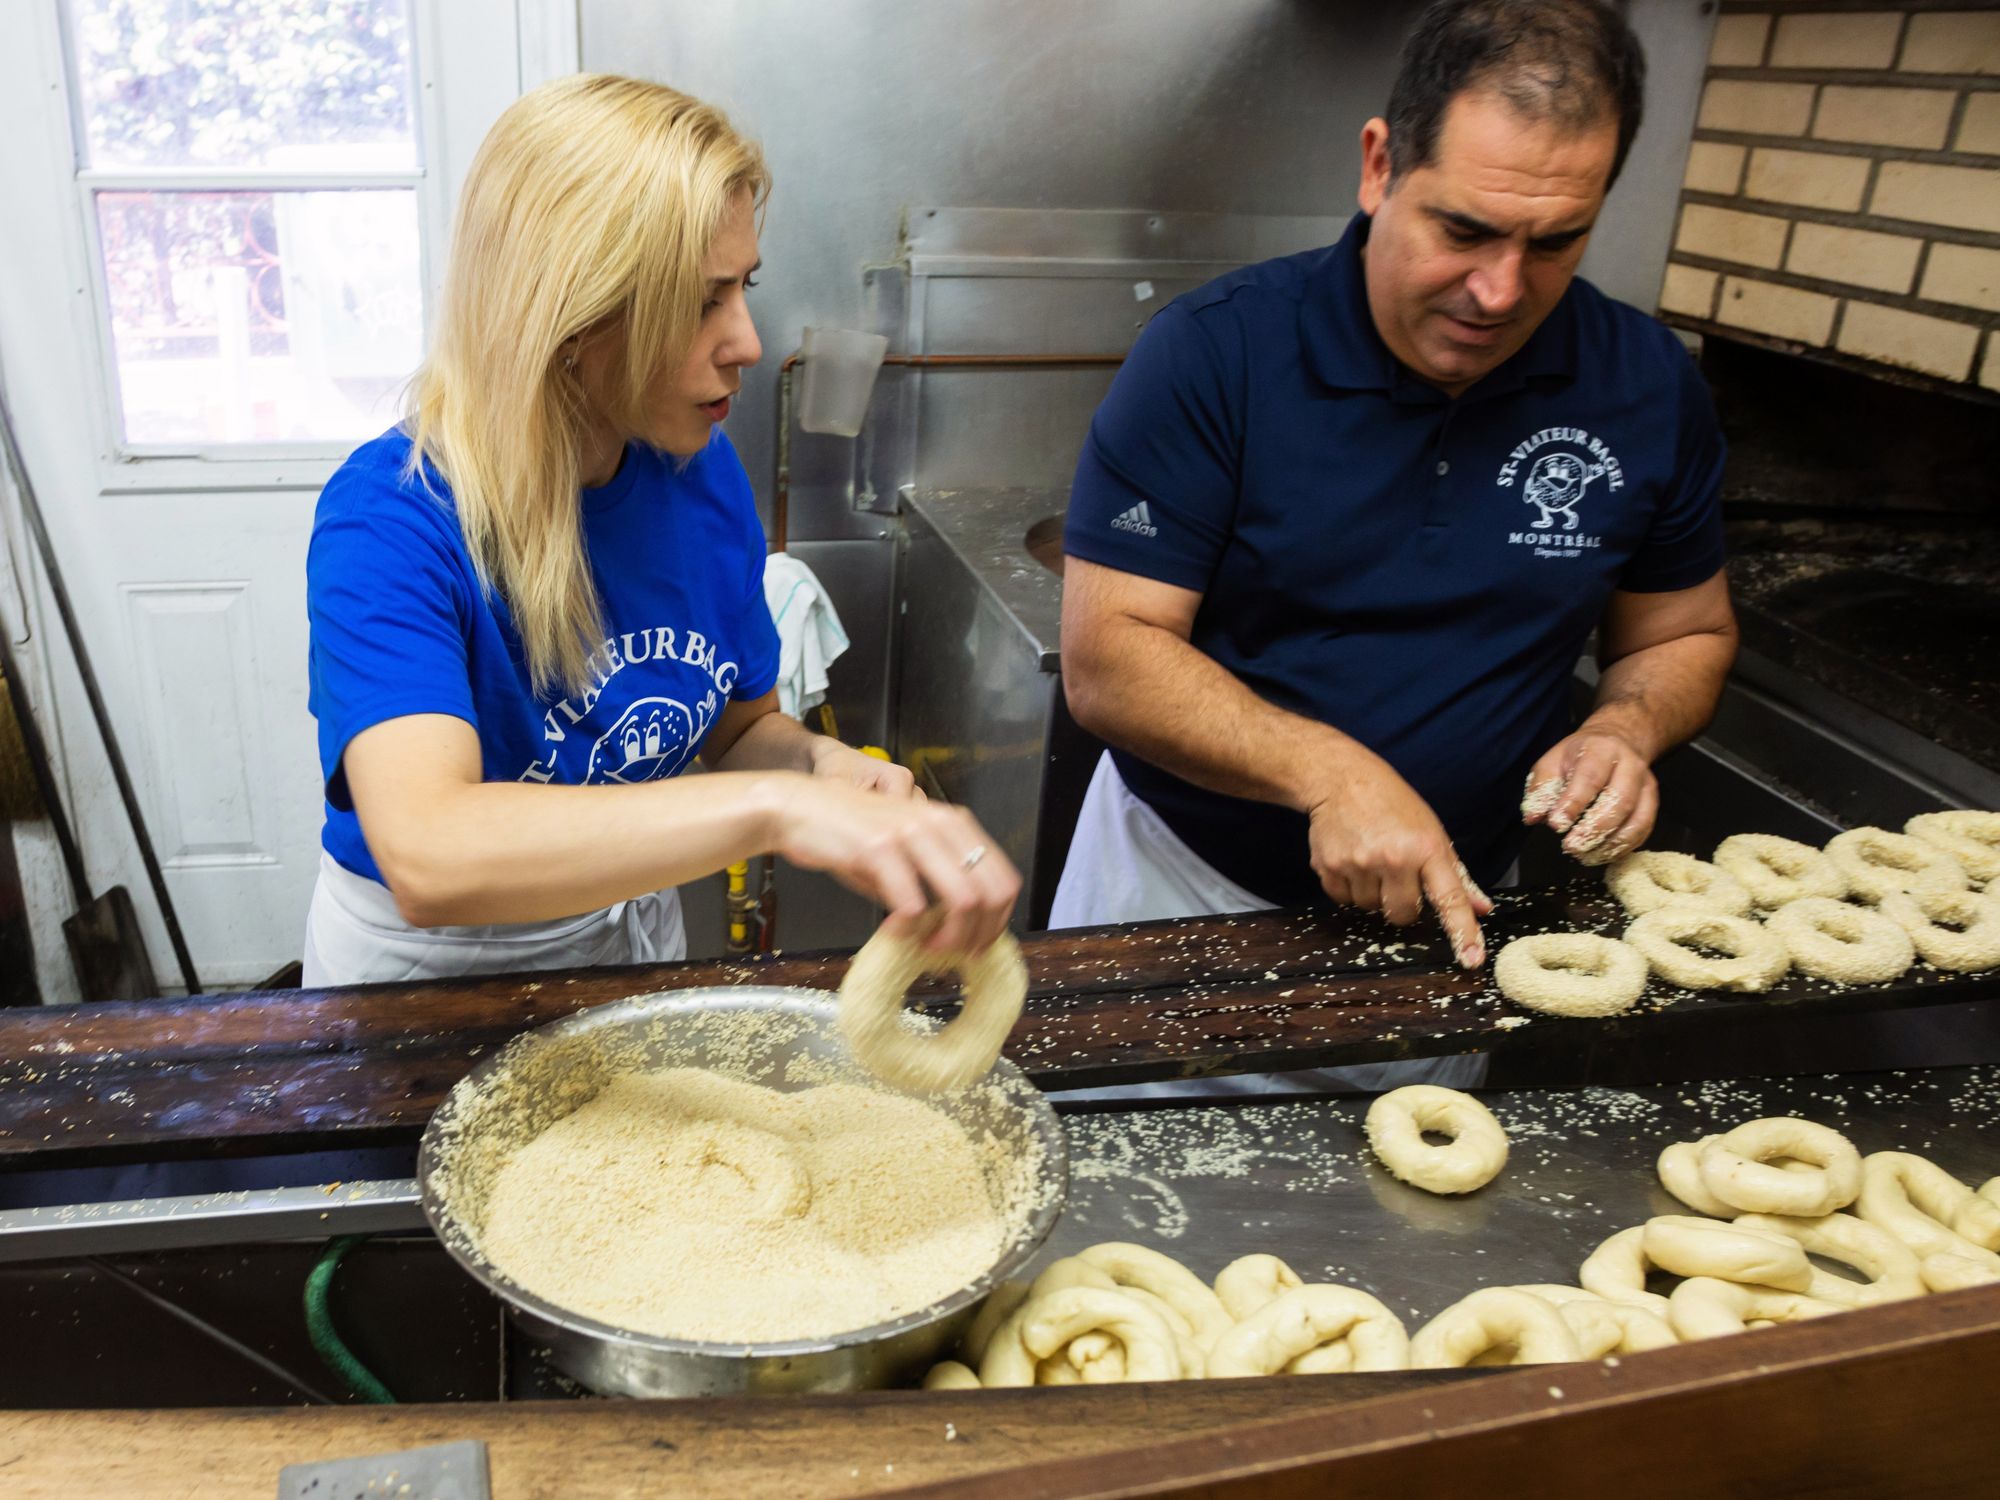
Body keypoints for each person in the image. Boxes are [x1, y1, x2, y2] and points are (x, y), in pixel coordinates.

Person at [1052, 0, 1737, 988]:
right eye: (1463, 229)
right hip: (1179, 892)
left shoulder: (1643, 384)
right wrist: (1329, 776)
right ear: (1378, 166)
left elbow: (1682, 636)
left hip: (1456, 914)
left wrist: (1624, 727)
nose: (1497, 291)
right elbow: (1110, 658)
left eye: (1552, 243)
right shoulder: (1215, 356)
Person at [304, 75, 1017, 986]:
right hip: (431, 979)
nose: (748, 341)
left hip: (623, 931)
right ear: (566, 316)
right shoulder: (396, 518)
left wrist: (816, 766)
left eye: (743, 288)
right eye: (699, 300)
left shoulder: (699, 466)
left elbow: (736, 726)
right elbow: (431, 853)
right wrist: (773, 811)